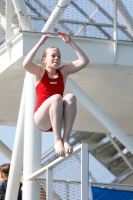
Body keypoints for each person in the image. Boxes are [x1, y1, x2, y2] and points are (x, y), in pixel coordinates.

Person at [23, 31, 89, 157]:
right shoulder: (40, 71)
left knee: (70, 97)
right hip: (42, 119)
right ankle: (57, 140)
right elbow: (26, 64)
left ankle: (66, 140)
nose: (57, 58)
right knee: (57, 97)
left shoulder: (63, 72)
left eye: (58, 56)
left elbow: (84, 60)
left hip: (58, 120)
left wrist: (70, 41)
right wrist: (40, 43)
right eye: (53, 56)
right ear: (44, 60)